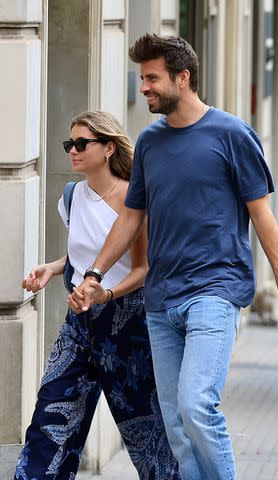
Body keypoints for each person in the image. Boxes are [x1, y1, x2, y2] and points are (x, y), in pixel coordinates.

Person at [69, 34, 278, 480]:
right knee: (177, 427)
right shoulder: (149, 143)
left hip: (214, 292)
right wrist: (94, 273)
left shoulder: (232, 134)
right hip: (161, 301)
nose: (143, 87)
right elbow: (130, 218)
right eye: (142, 78)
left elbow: (261, 214)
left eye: (152, 78)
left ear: (183, 78)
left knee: (197, 404)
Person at [14, 110, 180, 480]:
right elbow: (87, 253)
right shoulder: (72, 196)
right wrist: (54, 267)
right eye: (69, 144)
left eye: (81, 143)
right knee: (50, 421)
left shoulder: (133, 199)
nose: (72, 150)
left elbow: (142, 269)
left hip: (129, 325)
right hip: (79, 324)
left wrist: (106, 293)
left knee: (147, 435)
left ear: (107, 148)